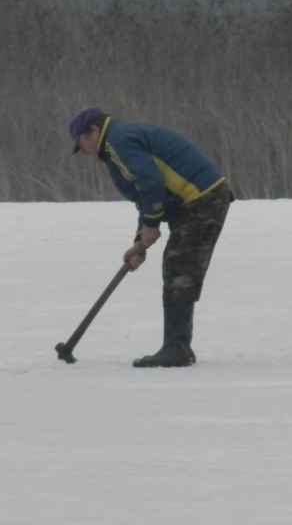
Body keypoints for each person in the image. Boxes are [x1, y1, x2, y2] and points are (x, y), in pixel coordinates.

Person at [68, 107, 233, 367]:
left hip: (202, 198)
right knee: (179, 266)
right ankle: (178, 347)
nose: (84, 152)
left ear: (94, 132)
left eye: (81, 143)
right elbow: (142, 194)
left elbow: (150, 182)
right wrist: (140, 241)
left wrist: (151, 224)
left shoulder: (118, 142)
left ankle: (176, 349)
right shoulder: (117, 143)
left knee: (180, 266)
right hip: (197, 201)